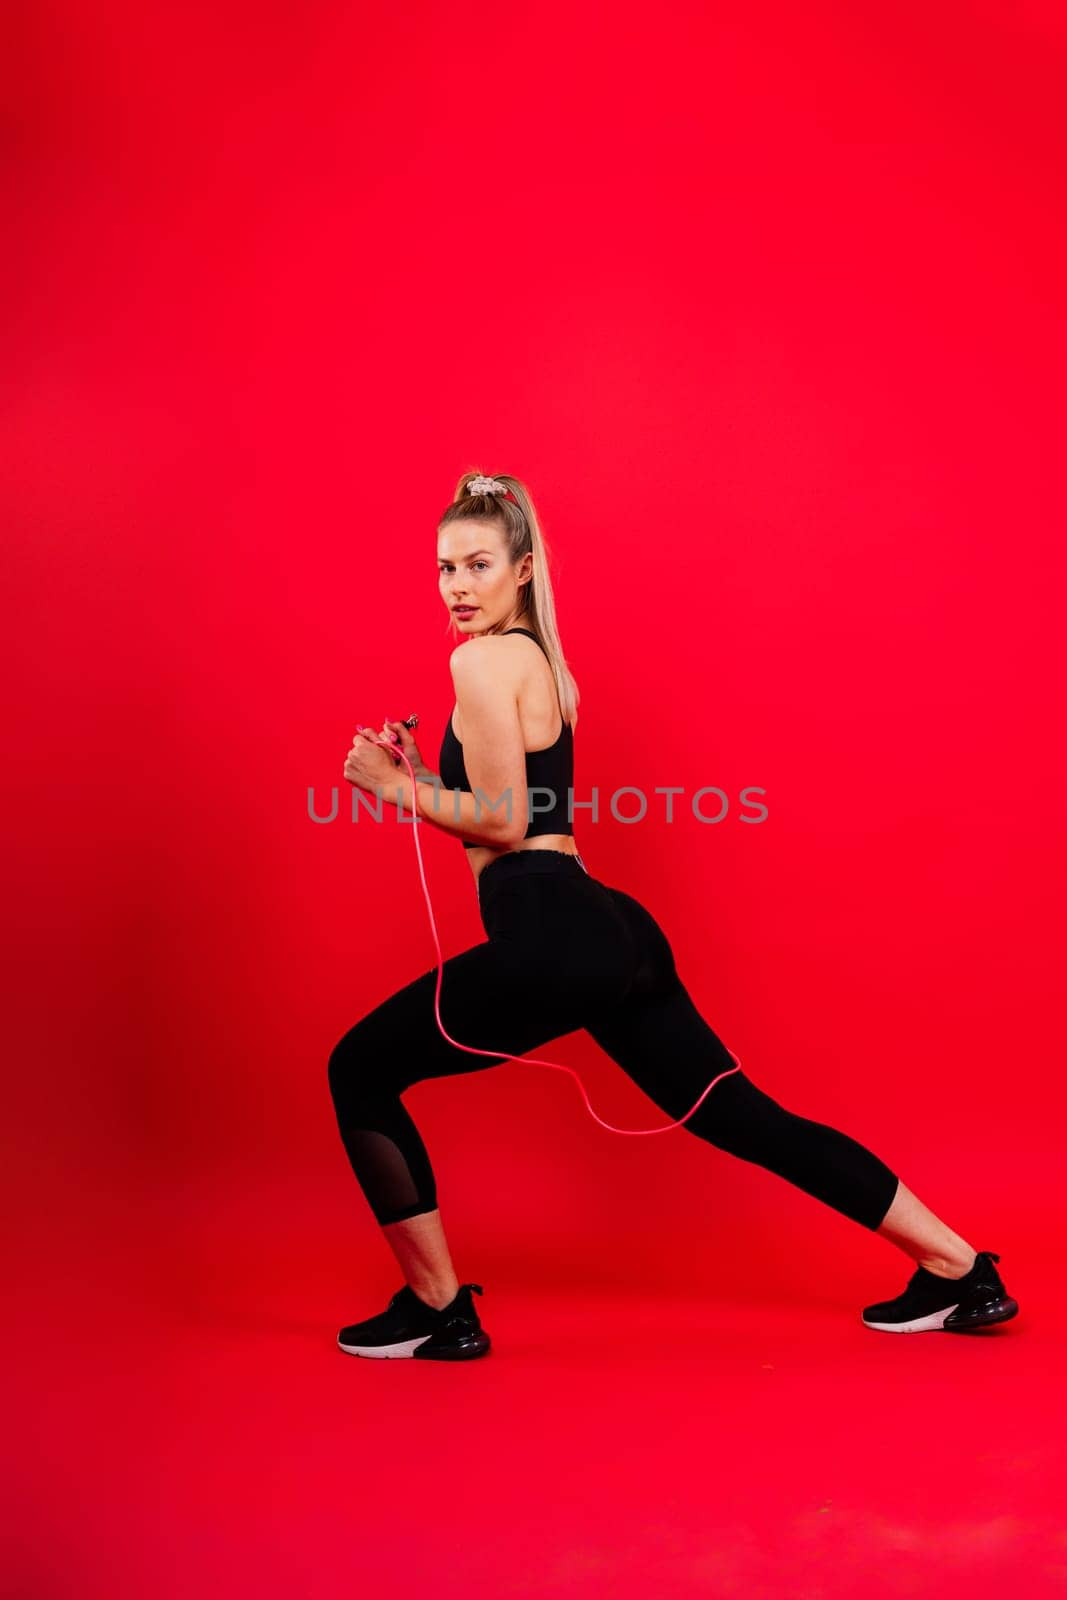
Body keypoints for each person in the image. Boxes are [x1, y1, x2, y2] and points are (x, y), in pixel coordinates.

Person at [328, 470, 1018, 1360]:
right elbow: (514, 808)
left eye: (477, 565)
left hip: (552, 935)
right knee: (743, 1116)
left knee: (358, 1070)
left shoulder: (479, 659)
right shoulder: (539, 662)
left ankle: (436, 1309)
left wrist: (392, 790)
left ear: (523, 568)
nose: (457, 587)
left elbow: (500, 822)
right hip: (611, 931)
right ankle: (960, 1271)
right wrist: (425, 777)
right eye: (442, 568)